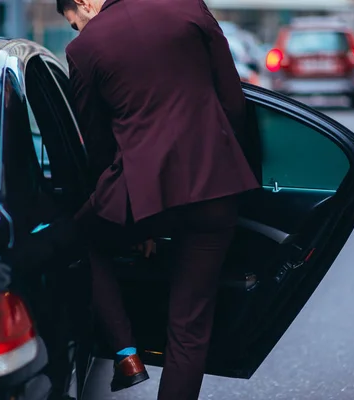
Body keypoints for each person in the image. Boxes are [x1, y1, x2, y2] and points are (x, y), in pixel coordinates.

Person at [56, 0, 260, 398]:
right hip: (216, 188)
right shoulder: (188, 8)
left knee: (78, 240)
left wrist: (126, 211)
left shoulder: (84, 49)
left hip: (141, 194)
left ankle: (126, 354)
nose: (78, 31)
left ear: (82, 2)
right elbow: (233, 102)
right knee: (189, 328)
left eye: (74, 22)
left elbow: (96, 144)